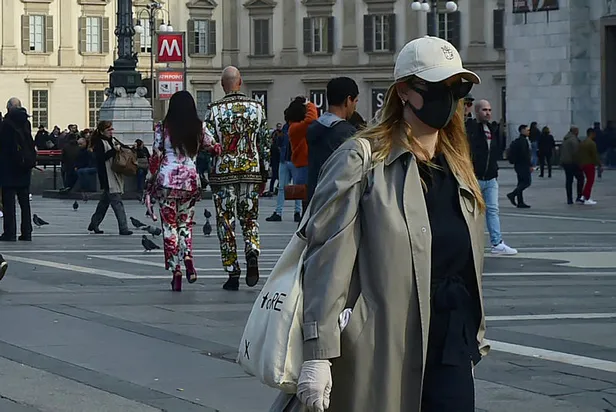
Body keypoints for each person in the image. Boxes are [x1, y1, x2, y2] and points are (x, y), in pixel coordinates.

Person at [273, 36, 488, 412]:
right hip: (383, 345)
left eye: (457, 88)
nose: (449, 98)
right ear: (403, 91)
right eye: (437, 87)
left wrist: (475, 335)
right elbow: (328, 256)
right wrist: (318, 353)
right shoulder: (362, 160)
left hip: (452, 340)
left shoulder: (458, 166)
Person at [205, 66, 270, 291]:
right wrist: (265, 173)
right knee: (250, 218)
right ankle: (252, 250)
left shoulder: (214, 110)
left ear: (222, 85)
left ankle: (232, 271)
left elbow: (207, 143)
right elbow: (265, 143)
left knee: (226, 221)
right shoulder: (257, 108)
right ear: (240, 82)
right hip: (251, 171)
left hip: (223, 173)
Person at [145, 91, 218, 292]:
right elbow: (213, 147)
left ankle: (175, 269)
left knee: (169, 226)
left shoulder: (162, 127)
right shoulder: (199, 127)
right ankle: (187, 257)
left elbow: (156, 155)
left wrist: (149, 182)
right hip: (190, 180)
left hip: (167, 180)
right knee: (185, 222)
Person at [466, 99, 517, 255]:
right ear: (477, 111)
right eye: (484, 110)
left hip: (490, 177)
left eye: (489, 110)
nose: (487, 113)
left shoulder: (492, 129)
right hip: (474, 177)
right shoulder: (471, 128)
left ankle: (497, 243)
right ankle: (470, 243)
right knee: (472, 212)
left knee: (493, 210)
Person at [306, 76, 359, 204]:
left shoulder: (314, 127)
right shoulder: (346, 133)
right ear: (348, 100)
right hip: (335, 202)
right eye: (355, 101)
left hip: (313, 198)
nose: (355, 107)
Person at [87, 121, 132, 235]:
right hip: (107, 176)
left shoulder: (112, 140)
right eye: (109, 130)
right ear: (102, 131)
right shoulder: (99, 143)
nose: (111, 132)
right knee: (117, 202)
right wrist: (113, 151)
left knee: (104, 203)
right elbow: (100, 158)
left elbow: (122, 148)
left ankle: (94, 223)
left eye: (112, 129)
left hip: (114, 174)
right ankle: (123, 228)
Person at [0, 98, 35, 242]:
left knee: (9, 204)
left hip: (9, 168)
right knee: (25, 203)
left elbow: (4, 147)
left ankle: (10, 232)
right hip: (24, 167)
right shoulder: (26, 122)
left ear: (8, 108)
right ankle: (27, 232)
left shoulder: (6, 124)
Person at [265, 113, 303, 222]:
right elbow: (279, 142)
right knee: (285, 187)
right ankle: (290, 212)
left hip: (289, 159)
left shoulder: (294, 127)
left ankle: (290, 212)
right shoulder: (286, 128)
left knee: (291, 187)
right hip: (287, 159)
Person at [288, 97, 318, 212]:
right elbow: (312, 119)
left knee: (307, 205)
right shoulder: (296, 127)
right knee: (308, 205)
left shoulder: (294, 127)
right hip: (305, 166)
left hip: (302, 167)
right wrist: (310, 104)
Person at [506, 125, 533, 208]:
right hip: (523, 164)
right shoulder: (523, 141)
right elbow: (525, 154)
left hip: (517, 164)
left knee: (520, 183)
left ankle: (520, 201)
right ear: (522, 130)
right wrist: (530, 165)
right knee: (526, 182)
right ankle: (512, 194)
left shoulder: (518, 140)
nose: (529, 132)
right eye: (527, 130)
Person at [559, 126, 585, 204]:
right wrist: (580, 162)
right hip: (572, 162)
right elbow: (576, 152)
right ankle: (579, 196)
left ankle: (569, 199)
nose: (578, 132)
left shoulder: (566, 139)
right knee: (580, 178)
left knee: (569, 180)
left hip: (565, 162)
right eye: (577, 131)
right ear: (575, 131)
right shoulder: (574, 140)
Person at [578, 128, 602, 205]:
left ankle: (583, 196)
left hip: (583, 164)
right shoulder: (592, 143)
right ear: (591, 134)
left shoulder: (582, 142)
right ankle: (586, 198)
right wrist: (599, 164)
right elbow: (595, 155)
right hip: (590, 164)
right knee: (590, 181)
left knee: (588, 181)